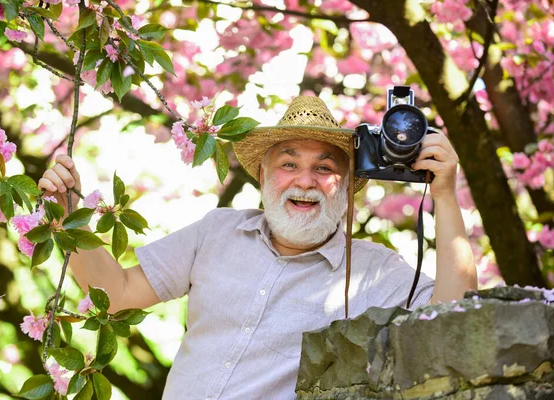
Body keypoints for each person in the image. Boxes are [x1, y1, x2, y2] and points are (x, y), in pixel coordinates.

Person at [38, 96, 477, 399]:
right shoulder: (216, 231)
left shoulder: (374, 271)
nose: (305, 180)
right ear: (264, 178)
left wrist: (444, 196)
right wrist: (67, 212)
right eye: (289, 164)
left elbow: (455, 318)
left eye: (324, 168)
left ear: (346, 188)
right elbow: (115, 294)